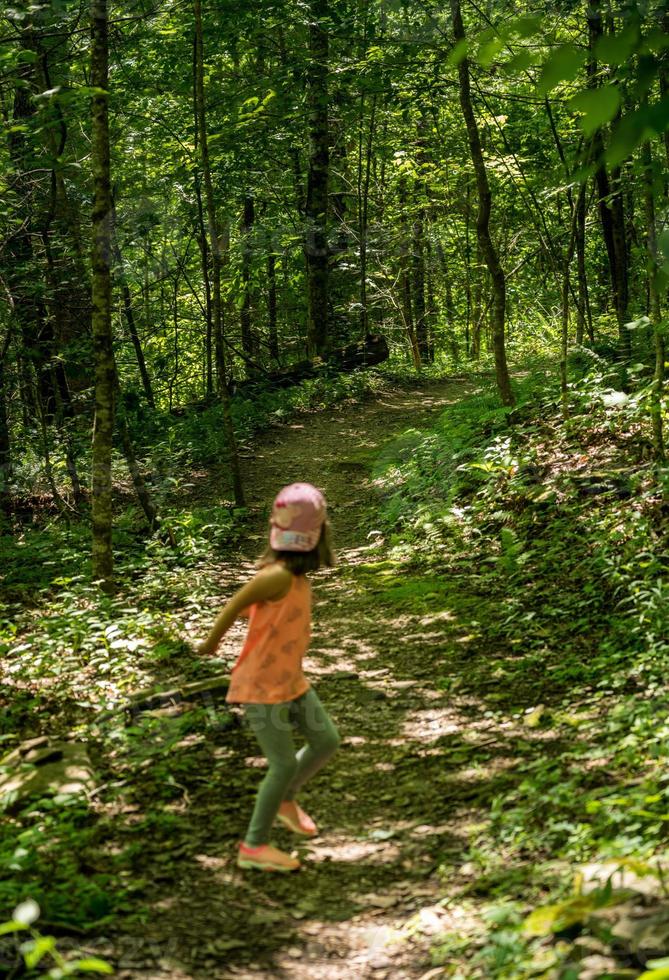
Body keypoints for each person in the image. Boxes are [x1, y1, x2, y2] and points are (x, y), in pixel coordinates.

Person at [198, 482, 341, 872]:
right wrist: (211, 643)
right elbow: (235, 604)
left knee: (326, 739)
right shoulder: (275, 576)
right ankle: (254, 846)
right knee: (280, 765)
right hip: (262, 687)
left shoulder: (295, 577)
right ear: (318, 534)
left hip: (290, 680)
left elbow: (263, 615)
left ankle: (285, 799)